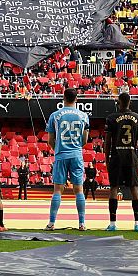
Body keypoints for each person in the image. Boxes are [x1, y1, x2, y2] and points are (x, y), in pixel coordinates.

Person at [44, 88, 90, 231]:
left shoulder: (55, 115)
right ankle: (82, 223)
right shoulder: (83, 116)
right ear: (76, 99)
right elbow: (85, 139)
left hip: (61, 155)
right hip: (76, 155)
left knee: (58, 190)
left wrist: (58, 149)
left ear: (63, 98)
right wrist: (76, 147)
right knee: (79, 190)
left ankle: (51, 223)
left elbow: (50, 140)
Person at [103, 91, 138, 231]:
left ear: (119, 102)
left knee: (114, 187)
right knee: (134, 188)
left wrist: (107, 159)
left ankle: (113, 223)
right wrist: (137, 159)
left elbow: (107, 142)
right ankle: (137, 223)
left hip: (117, 154)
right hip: (131, 153)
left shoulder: (111, 118)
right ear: (130, 102)